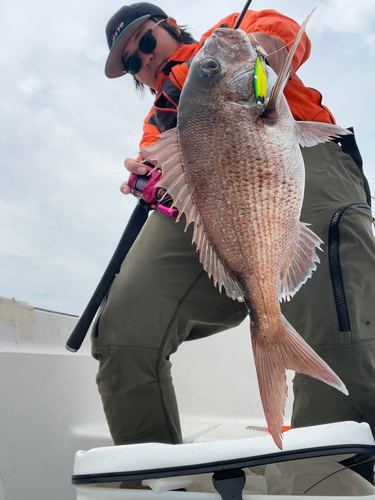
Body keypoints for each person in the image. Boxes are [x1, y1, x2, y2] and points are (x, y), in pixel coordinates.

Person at [92, 1, 375, 482]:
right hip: (211, 217)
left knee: (338, 330)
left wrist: (251, 56)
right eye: (133, 63)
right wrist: (144, 176)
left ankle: (324, 483)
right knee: (121, 332)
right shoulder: (159, 117)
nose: (145, 60)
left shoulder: (227, 38)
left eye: (145, 42)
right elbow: (159, 170)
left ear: (167, 27)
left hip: (298, 167)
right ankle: (154, 485)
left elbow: (284, 34)